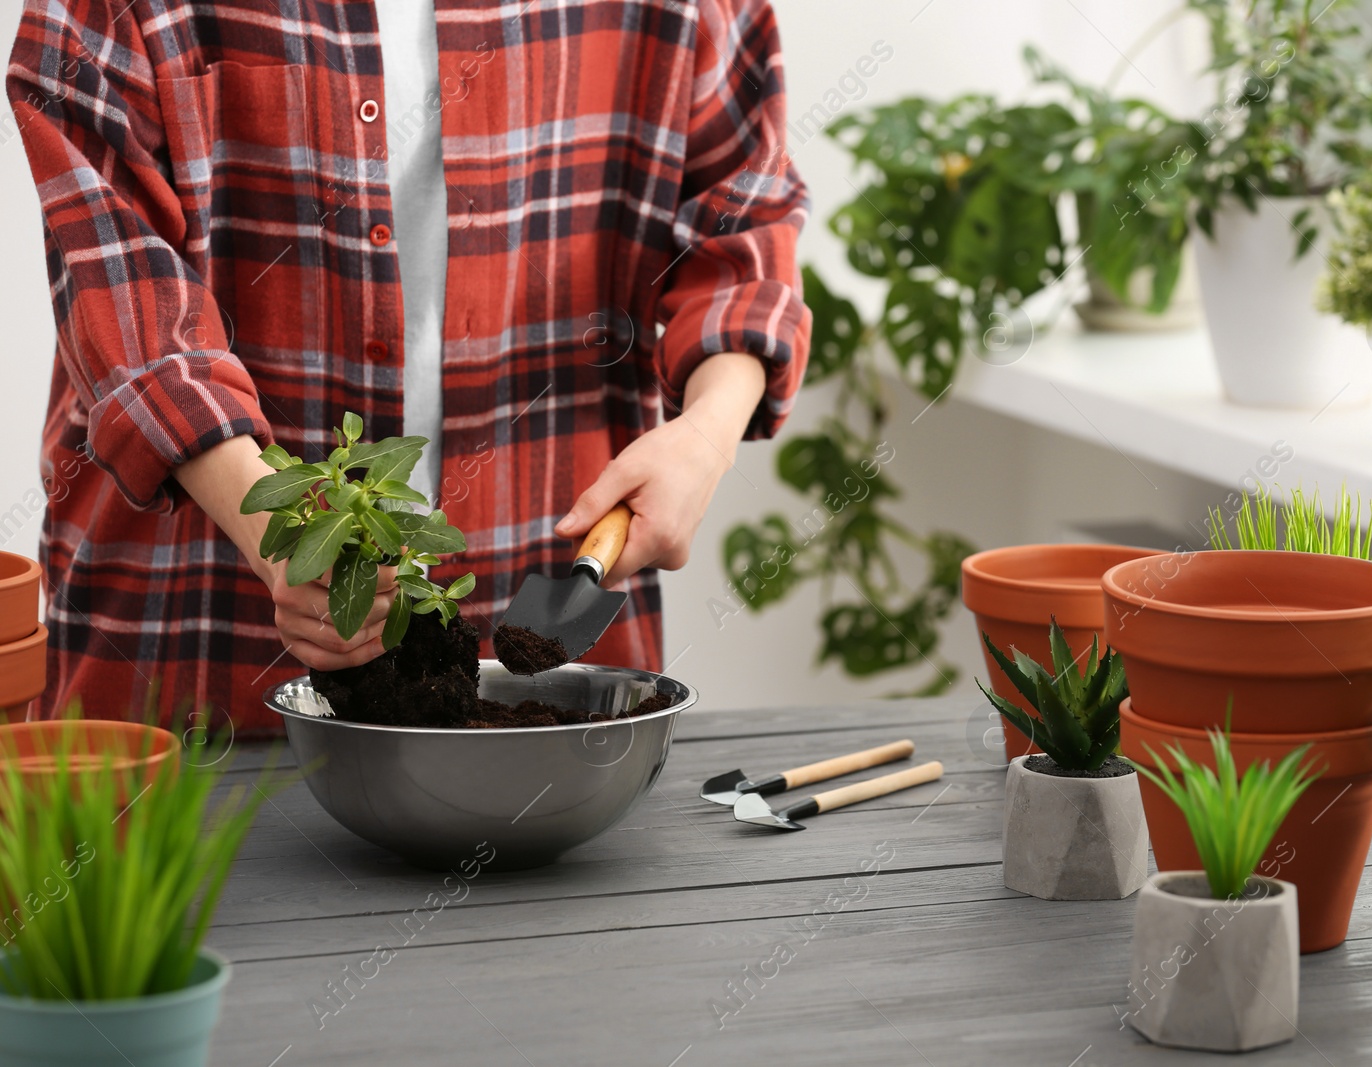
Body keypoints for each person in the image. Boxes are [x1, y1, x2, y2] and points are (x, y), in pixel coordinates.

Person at [6, 0, 810, 735]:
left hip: (535, 631)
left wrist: (704, 438)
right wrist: (282, 533)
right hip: (192, 642)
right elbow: (120, 292)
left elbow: (746, 221)